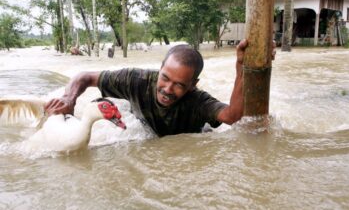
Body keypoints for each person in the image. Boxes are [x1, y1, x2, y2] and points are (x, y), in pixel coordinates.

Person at [45, 40, 273, 136]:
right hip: (143, 132)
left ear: (193, 85)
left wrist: (242, 66)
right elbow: (84, 76)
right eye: (165, 78)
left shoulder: (198, 100)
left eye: (179, 85)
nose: (167, 89)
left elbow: (233, 116)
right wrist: (69, 98)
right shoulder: (136, 79)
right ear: (160, 68)